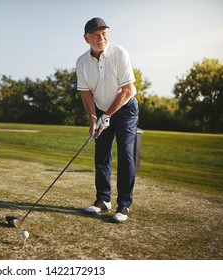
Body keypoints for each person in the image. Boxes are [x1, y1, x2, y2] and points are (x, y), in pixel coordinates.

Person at [76, 17, 139, 222]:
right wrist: (94, 117)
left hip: (126, 109)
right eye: (95, 35)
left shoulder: (120, 54)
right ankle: (103, 200)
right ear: (86, 39)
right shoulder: (82, 62)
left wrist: (107, 116)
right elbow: (86, 93)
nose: (101, 37)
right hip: (102, 110)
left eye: (104, 33)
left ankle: (124, 205)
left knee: (126, 153)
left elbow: (127, 90)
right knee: (101, 154)